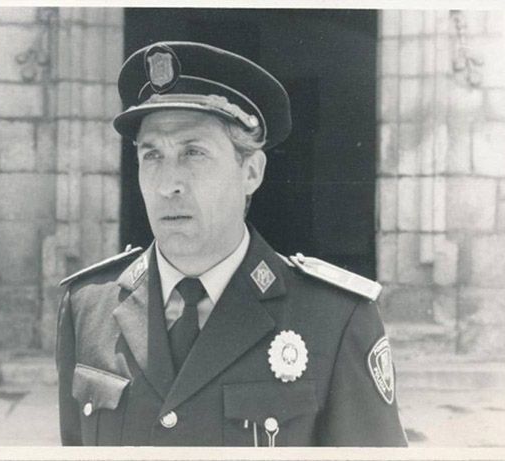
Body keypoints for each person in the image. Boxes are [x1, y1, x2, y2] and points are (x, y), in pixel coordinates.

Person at [56, 41, 408, 447]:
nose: (168, 184)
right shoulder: (87, 307)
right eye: (152, 155)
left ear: (251, 172)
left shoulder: (336, 318)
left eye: (193, 152)